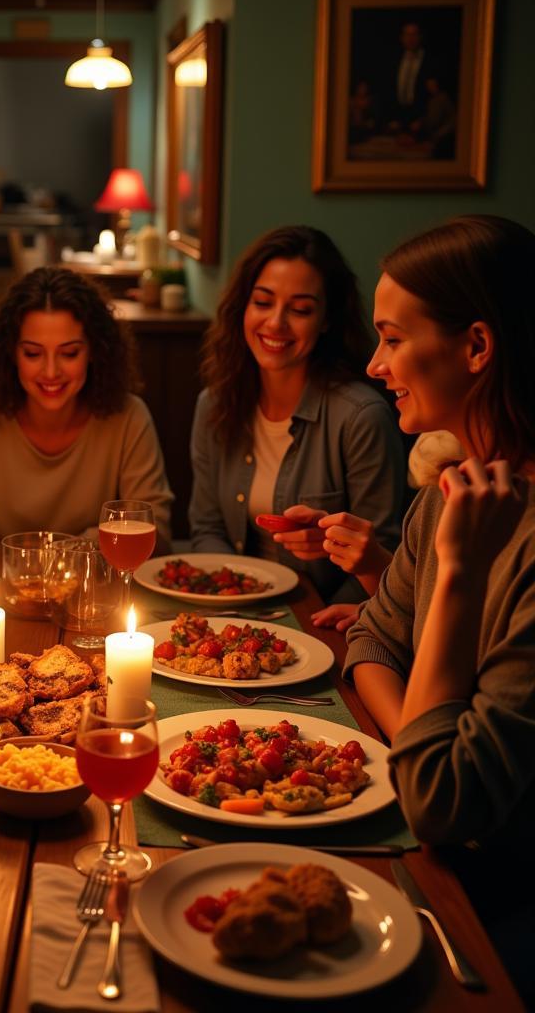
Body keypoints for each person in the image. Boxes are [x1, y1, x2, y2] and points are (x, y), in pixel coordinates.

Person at [346, 214, 535, 1005]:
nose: (374, 362)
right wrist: (420, 740)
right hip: (445, 848)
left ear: (477, 348)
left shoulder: (500, 531)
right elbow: (368, 641)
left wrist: (457, 572)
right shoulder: (455, 486)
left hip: (501, 902)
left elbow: (440, 804)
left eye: (392, 338)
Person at [188, 225, 405, 608]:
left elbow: (388, 552)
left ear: (326, 320)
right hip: (231, 607)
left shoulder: (361, 417)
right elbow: (207, 528)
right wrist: (232, 594)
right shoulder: (214, 404)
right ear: (243, 306)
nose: (275, 323)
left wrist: (325, 613)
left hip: (325, 612)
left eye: (300, 309)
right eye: (262, 302)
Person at [0, 266, 173, 548]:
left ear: (94, 351)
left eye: (69, 353)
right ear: (11, 353)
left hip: (97, 589)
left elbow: (154, 530)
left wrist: (54, 554)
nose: (51, 372)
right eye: (33, 353)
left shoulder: (129, 418)